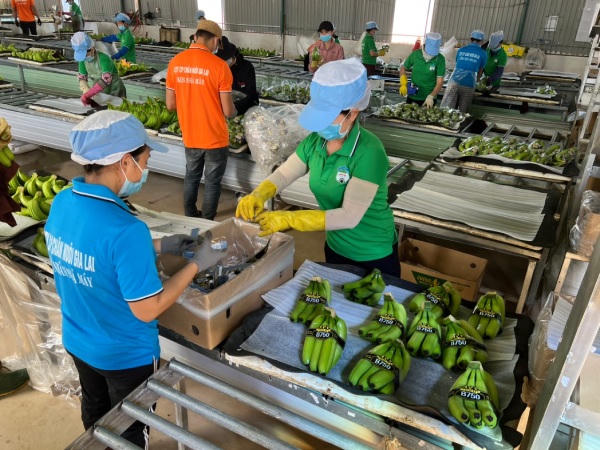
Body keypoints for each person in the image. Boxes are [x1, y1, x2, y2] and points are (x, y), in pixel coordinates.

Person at [45, 110, 223, 447]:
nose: (146, 169)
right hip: (124, 356)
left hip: (79, 341)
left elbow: (95, 248)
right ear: (125, 162)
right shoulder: (127, 229)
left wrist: (160, 245)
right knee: (129, 430)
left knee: (96, 414)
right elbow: (148, 309)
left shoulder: (64, 201)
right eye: (145, 160)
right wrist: (197, 265)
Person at [236, 59, 399, 276]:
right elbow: (284, 174)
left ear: (352, 113)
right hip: (335, 246)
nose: (321, 125)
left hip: (373, 253)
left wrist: (289, 219)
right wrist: (259, 194)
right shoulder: (316, 141)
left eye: (327, 117)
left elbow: (349, 217)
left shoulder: (369, 151)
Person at [165, 19, 236, 220]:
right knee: (212, 182)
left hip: (190, 134)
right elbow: (228, 111)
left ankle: (189, 215)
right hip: (215, 137)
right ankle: (207, 221)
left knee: (192, 176)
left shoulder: (175, 63)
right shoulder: (220, 66)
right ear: (215, 41)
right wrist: (235, 111)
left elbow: (170, 105)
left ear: (196, 37)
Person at [71, 32, 126, 106]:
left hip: (115, 91)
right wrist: (85, 89)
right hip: (99, 92)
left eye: (85, 54)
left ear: (92, 49)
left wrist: (89, 94)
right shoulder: (83, 60)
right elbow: (82, 77)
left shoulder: (104, 58)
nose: (84, 57)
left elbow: (105, 80)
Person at [440, 30, 488, 113]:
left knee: (446, 109)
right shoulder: (483, 53)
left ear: (470, 39)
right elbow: (480, 70)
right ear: (481, 41)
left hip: (454, 81)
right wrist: (477, 80)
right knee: (463, 110)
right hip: (469, 83)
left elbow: (458, 63)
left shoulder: (461, 50)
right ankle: (461, 120)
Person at [399, 32, 445, 107]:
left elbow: (440, 81)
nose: (431, 55)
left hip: (429, 98)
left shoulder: (440, 59)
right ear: (425, 45)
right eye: (429, 51)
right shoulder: (415, 54)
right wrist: (403, 83)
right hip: (413, 95)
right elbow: (403, 68)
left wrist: (431, 96)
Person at [217, 36, 259, 114]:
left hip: (245, 110)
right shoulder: (217, 69)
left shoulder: (246, 67)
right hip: (224, 111)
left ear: (232, 57)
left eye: (224, 60)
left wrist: (233, 108)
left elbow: (251, 95)